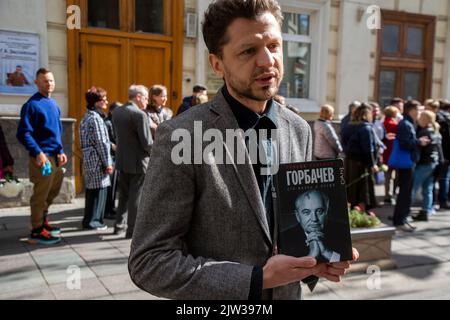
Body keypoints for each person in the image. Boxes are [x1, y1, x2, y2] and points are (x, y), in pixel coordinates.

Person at [129, 0, 357, 300]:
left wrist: (315, 262)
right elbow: (149, 262)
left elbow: (290, 234)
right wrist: (256, 279)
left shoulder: (299, 129)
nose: (267, 61)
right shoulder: (181, 135)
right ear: (217, 64)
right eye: (248, 51)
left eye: (274, 45)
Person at [17, 68, 67, 245]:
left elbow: (56, 132)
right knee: (40, 195)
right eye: (45, 80)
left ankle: (43, 222)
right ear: (37, 82)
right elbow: (23, 133)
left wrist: (60, 150)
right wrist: (38, 152)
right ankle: (36, 230)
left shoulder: (53, 104)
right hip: (42, 159)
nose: (49, 83)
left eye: (51, 80)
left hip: (54, 157)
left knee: (51, 192)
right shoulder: (31, 105)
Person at [113, 85, 153, 238]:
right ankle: (132, 230)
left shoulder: (118, 111)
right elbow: (147, 142)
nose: (147, 101)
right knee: (135, 197)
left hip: (122, 160)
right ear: (138, 96)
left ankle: (118, 226)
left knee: (123, 195)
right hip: (138, 161)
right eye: (145, 97)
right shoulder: (139, 114)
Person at [392, 100, 430, 232]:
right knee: (405, 193)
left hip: (409, 163)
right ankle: (400, 220)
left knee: (406, 193)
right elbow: (404, 143)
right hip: (407, 164)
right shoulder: (406, 124)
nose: (420, 112)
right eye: (418, 110)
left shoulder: (408, 123)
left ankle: (402, 218)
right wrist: (419, 142)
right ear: (412, 110)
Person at [79, 87, 113, 230]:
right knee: (97, 192)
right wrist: (108, 162)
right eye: (103, 99)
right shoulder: (95, 118)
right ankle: (93, 222)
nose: (106, 101)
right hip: (97, 160)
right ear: (96, 102)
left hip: (90, 159)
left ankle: (91, 221)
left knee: (93, 191)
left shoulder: (87, 116)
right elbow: (102, 142)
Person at [342, 103, 379, 212]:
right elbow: (368, 149)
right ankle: (363, 211)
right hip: (362, 162)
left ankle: (353, 208)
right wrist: (373, 164)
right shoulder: (366, 128)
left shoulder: (348, 126)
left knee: (353, 187)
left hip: (349, 161)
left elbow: (343, 143)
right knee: (363, 187)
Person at [288, 190, 341, 263]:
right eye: (306, 212)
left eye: (319, 211)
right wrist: (312, 255)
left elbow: (344, 261)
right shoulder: (286, 237)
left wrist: (327, 252)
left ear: (327, 212)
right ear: (297, 216)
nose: (314, 219)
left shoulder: (341, 230)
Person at [411, 110, 442, 221]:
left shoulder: (425, 132)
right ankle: (425, 211)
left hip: (425, 163)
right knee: (427, 188)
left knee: (413, 187)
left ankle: (405, 211)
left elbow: (419, 149)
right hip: (434, 162)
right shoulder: (436, 131)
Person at [104, 102, 122, 219]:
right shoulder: (107, 122)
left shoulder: (117, 122)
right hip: (110, 157)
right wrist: (112, 145)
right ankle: (108, 210)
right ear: (112, 111)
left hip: (116, 156)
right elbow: (105, 139)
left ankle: (111, 208)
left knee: (114, 186)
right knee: (110, 186)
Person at [382, 106, 400, 204]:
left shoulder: (383, 123)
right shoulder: (393, 124)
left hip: (385, 152)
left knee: (387, 176)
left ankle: (386, 195)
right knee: (395, 175)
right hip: (393, 152)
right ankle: (393, 193)